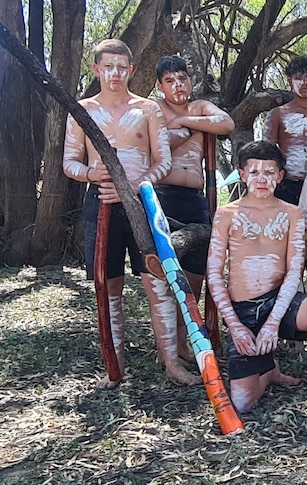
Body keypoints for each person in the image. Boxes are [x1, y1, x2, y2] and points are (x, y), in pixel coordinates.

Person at [206, 140, 307, 420]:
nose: (262, 179)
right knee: (243, 404)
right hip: (244, 309)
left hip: (279, 301)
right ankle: (267, 371)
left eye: (270, 172)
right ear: (243, 174)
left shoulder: (291, 213)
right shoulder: (226, 215)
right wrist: (235, 326)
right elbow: (214, 274)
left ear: (280, 176)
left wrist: (273, 323)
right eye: (255, 172)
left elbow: (294, 270)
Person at [63, 39, 175, 389]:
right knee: (107, 284)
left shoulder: (148, 109)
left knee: (158, 281)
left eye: (121, 67)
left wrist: (138, 185)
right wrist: (90, 174)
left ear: (130, 70)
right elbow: (69, 162)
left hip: (142, 204)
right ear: (96, 70)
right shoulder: (81, 110)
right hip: (100, 205)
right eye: (107, 66)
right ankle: (115, 367)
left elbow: (163, 161)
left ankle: (171, 361)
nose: (114, 73)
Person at [150, 54, 235, 382]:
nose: (178, 85)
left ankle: (183, 342)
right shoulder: (153, 109)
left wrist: (186, 123)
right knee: (165, 273)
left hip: (195, 199)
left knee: (196, 273)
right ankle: (167, 346)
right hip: (162, 196)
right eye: (170, 81)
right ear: (160, 85)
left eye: (182, 78)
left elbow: (226, 124)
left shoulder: (199, 107)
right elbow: (154, 139)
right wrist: (178, 127)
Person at [262, 56, 307, 294]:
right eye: (299, 78)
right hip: (286, 188)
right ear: (290, 81)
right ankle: (284, 316)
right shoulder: (277, 115)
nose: (304, 83)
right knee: (287, 257)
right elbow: (267, 152)